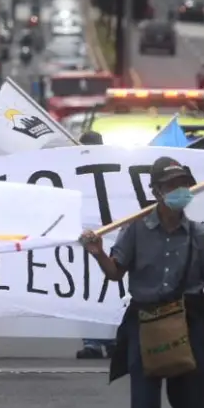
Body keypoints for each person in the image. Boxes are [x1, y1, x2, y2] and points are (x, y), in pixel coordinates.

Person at [79, 157, 204, 408]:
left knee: (190, 402)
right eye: (172, 185)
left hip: (189, 321)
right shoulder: (134, 230)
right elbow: (115, 272)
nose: (180, 191)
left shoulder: (201, 235)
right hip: (145, 320)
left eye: (184, 184)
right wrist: (99, 253)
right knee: (145, 401)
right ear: (157, 191)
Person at [75, 129, 115, 360]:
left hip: (101, 240)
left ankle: (98, 342)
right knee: (97, 291)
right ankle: (101, 341)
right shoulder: (73, 170)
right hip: (92, 240)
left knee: (91, 291)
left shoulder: (111, 170)